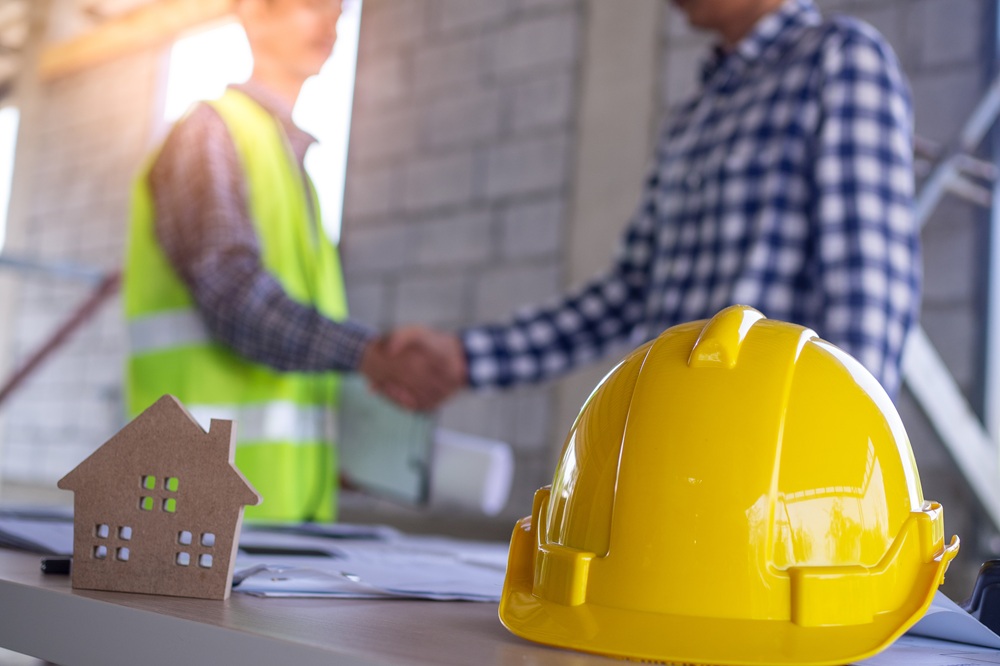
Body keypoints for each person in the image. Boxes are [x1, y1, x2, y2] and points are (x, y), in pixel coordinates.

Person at [388, 0, 919, 404]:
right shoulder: (693, 117)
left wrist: (842, 469)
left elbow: (867, 293)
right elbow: (628, 293)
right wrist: (466, 359)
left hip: (771, 462)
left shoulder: (839, 61)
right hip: (668, 439)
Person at [123, 0, 457, 523]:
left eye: (339, 9)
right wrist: (372, 354)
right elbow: (234, 297)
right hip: (194, 510)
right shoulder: (211, 133)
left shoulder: (296, 173)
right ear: (253, 11)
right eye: (310, 4)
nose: (330, 21)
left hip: (284, 517)